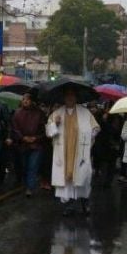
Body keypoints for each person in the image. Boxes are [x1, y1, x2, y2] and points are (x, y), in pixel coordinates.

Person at [46, 87, 100, 216]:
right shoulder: (56, 113)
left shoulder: (85, 112)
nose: (70, 98)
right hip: (64, 152)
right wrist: (55, 124)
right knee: (67, 180)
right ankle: (69, 205)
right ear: (64, 98)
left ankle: (85, 203)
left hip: (79, 151)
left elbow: (96, 128)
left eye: (72, 95)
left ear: (76, 97)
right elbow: (48, 133)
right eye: (68, 95)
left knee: (83, 178)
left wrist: (88, 137)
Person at [11, 92, 47, 197]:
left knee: (32, 166)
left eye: (27, 99)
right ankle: (27, 184)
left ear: (32, 101)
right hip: (22, 145)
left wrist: (36, 138)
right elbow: (14, 128)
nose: (25, 101)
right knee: (25, 166)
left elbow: (44, 130)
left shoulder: (39, 113)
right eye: (23, 99)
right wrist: (23, 137)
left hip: (36, 145)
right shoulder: (17, 113)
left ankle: (29, 188)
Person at [91, 105, 123, 188]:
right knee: (105, 165)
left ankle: (107, 182)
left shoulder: (118, 118)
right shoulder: (101, 117)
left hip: (112, 145)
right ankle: (104, 182)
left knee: (110, 165)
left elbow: (117, 132)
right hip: (103, 146)